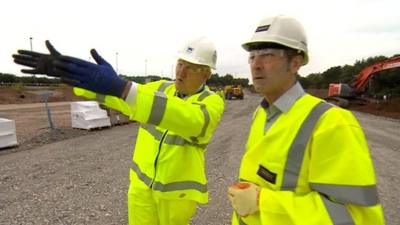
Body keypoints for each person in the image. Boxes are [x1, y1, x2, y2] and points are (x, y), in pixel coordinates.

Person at [13, 36, 224, 225]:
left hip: (176, 195)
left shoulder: (211, 103)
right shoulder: (160, 89)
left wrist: (122, 88)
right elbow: (122, 98)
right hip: (141, 189)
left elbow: (188, 119)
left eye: (191, 67)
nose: (181, 72)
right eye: (180, 64)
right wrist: (73, 77)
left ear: (206, 74)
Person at [227, 15, 384, 225]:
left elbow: (355, 217)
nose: (256, 65)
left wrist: (262, 201)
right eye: (253, 56)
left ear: (295, 63)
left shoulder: (331, 123)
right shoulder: (262, 113)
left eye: (267, 55)